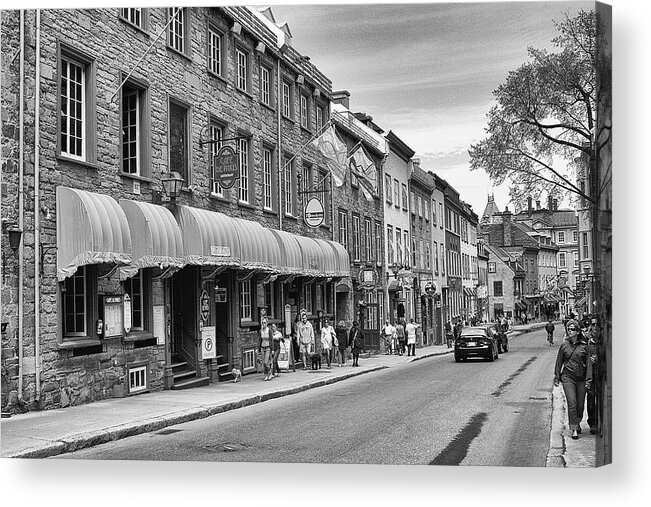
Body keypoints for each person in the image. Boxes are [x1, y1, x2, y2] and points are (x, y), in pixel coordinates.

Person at [553, 319, 592, 440]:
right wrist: (557, 376)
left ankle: (577, 421)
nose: (570, 331)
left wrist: (588, 379)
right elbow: (559, 361)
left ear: (577, 331)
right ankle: (574, 428)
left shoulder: (584, 346)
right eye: (568, 329)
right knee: (572, 402)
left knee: (580, 405)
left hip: (581, 378)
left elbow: (588, 364)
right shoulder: (564, 345)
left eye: (572, 329)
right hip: (568, 377)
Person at [583, 317, 599, 434]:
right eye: (593, 324)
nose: (595, 327)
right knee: (591, 399)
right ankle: (592, 423)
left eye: (597, 325)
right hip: (591, 375)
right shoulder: (586, 340)